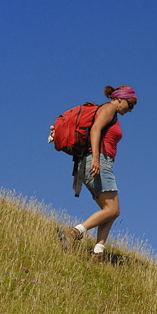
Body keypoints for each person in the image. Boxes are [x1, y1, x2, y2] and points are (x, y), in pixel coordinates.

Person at [57, 85, 137, 262]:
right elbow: (95, 130)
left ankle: (98, 252)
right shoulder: (109, 108)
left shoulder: (111, 111)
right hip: (100, 160)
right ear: (119, 98)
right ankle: (73, 232)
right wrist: (95, 159)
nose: (130, 109)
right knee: (112, 209)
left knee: (111, 211)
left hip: (99, 161)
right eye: (130, 104)